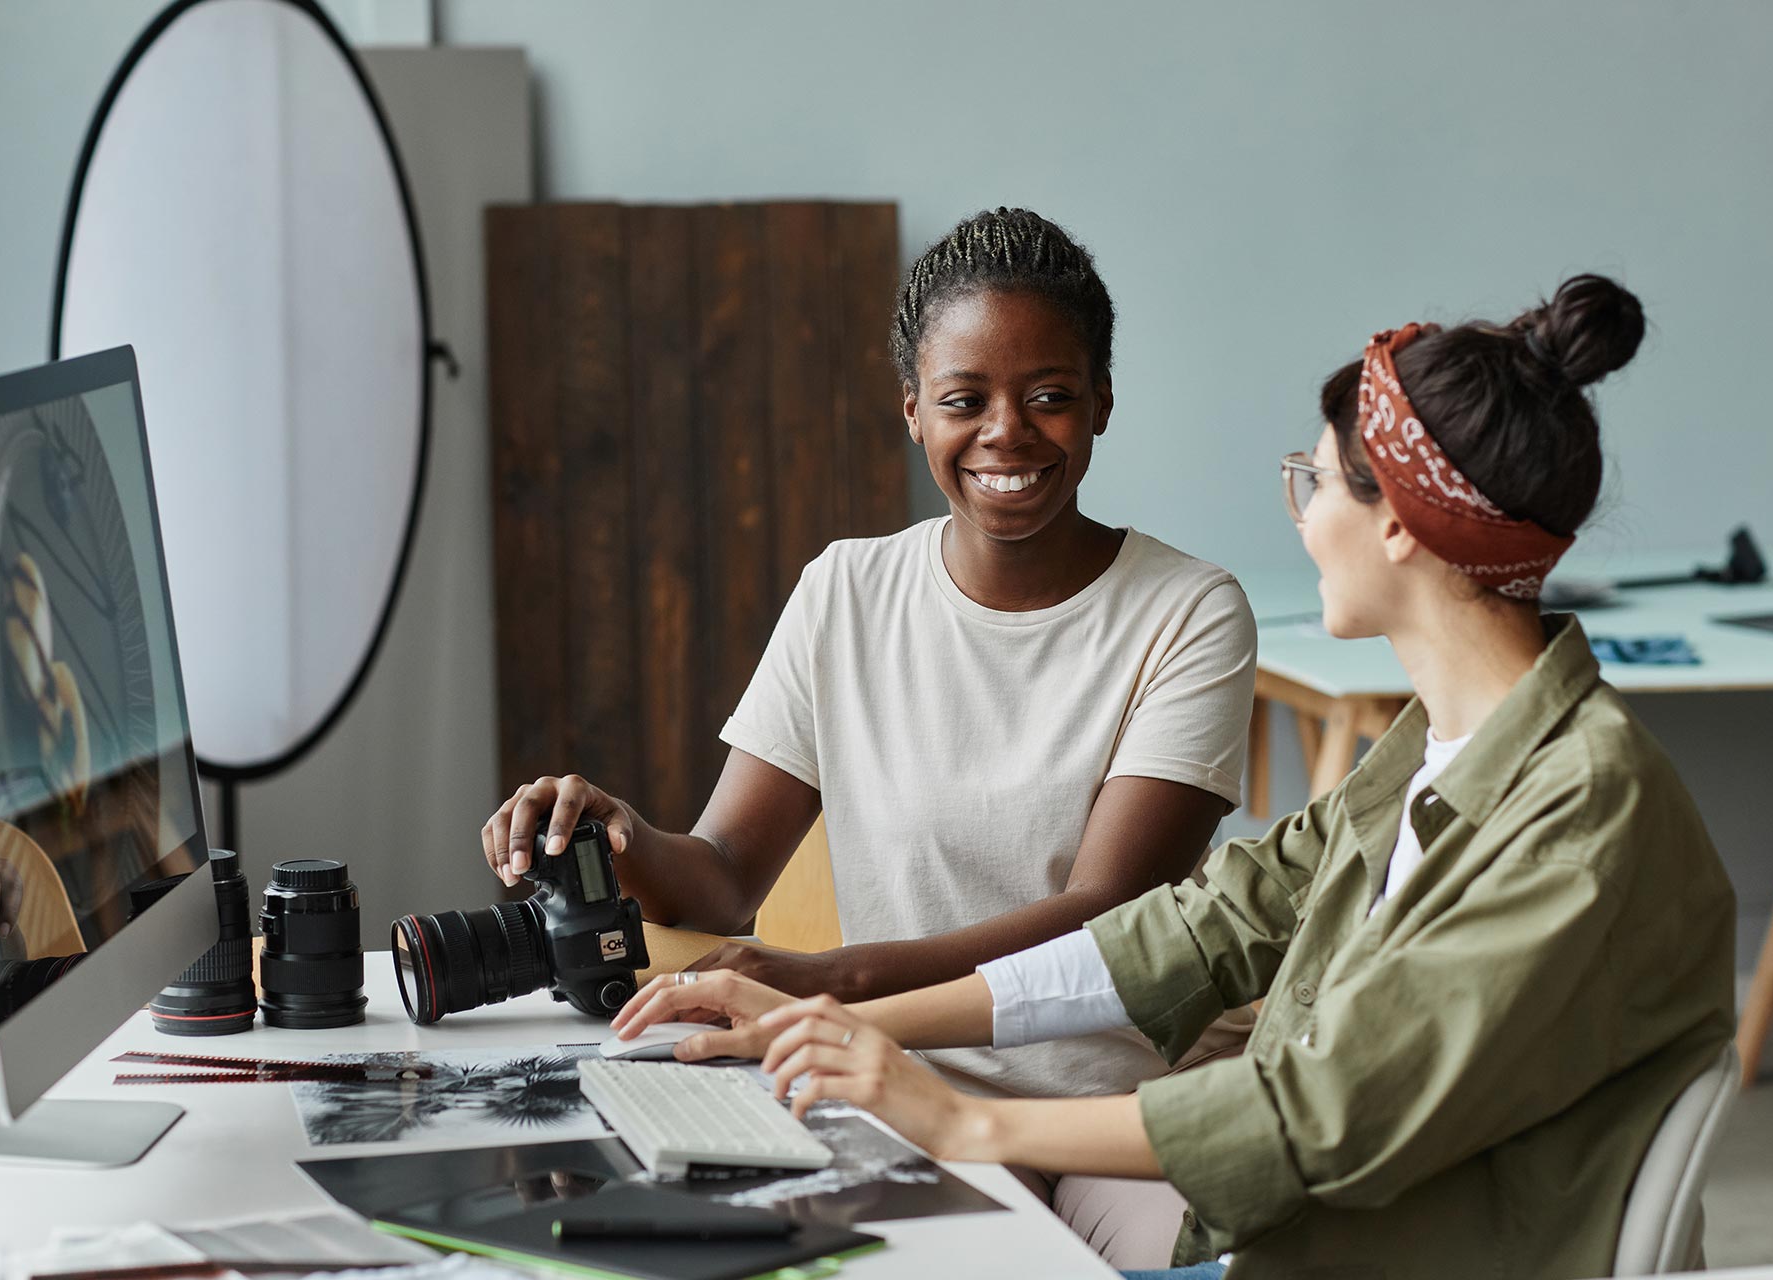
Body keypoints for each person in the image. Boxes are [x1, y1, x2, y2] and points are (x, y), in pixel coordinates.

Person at [612, 275, 1737, 1280]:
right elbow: (1189, 933)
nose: (1303, 516)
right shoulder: (1437, 751)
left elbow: (1320, 1112)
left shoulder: (1576, 811)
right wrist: (834, 1019)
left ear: (1398, 522)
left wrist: (966, 1122)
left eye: (1315, 482)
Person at [482, 209, 1259, 1265]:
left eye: (1050, 395)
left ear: (1102, 402)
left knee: (1208, 1260)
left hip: (1100, 1112)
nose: (1008, 433)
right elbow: (719, 878)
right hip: (884, 1088)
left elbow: (1107, 913)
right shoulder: (845, 590)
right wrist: (618, 833)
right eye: (964, 399)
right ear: (912, 410)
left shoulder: (1189, 611)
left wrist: (835, 979)